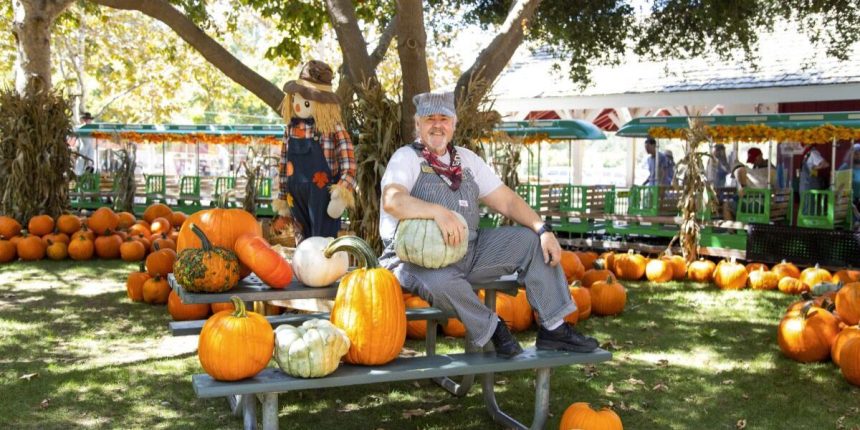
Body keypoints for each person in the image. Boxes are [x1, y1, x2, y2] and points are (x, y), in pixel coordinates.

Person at [378, 91, 599, 359]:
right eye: (429, 118)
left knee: (530, 242)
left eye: (444, 118)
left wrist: (542, 229)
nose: (437, 125)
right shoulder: (406, 158)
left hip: (468, 250)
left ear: (454, 124)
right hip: (414, 260)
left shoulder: (467, 160)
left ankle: (554, 329)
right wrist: (436, 211)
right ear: (417, 124)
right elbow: (393, 200)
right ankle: (494, 329)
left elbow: (506, 201)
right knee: (440, 281)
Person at [272, 60, 356, 243]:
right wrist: (282, 197)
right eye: (295, 99)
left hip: (322, 196)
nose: (298, 106)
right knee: (301, 240)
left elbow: (348, 164)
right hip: (295, 195)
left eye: (306, 101)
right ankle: (303, 268)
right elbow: (284, 164)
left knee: (323, 242)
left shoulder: (332, 128)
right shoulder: (290, 129)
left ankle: (325, 270)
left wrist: (341, 192)